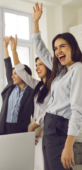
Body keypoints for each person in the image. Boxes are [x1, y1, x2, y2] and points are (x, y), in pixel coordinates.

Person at [33, 3, 82, 170]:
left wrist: (69, 145)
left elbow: (77, 109)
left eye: (62, 46)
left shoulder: (78, 69)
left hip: (60, 127)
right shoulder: (61, 71)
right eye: (55, 48)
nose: (58, 51)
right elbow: (41, 51)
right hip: (50, 126)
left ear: (72, 47)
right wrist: (35, 23)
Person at [10, 35, 51, 143]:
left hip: (44, 125)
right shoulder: (38, 85)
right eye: (36, 65)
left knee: (43, 158)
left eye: (40, 64)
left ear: (48, 66)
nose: (37, 68)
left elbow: (48, 111)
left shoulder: (54, 86)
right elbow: (22, 73)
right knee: (35, 158)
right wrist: (14, 51)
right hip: (34, 123)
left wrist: (33, 127)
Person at [0, 37, 34, 135]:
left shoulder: (32, 91)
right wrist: (5, 47)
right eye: (12, 73)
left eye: (16, 73)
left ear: (23, 75)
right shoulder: (11, 85)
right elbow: (7, 64)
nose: (12, 76)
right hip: (4, 126)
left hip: (21, 128)